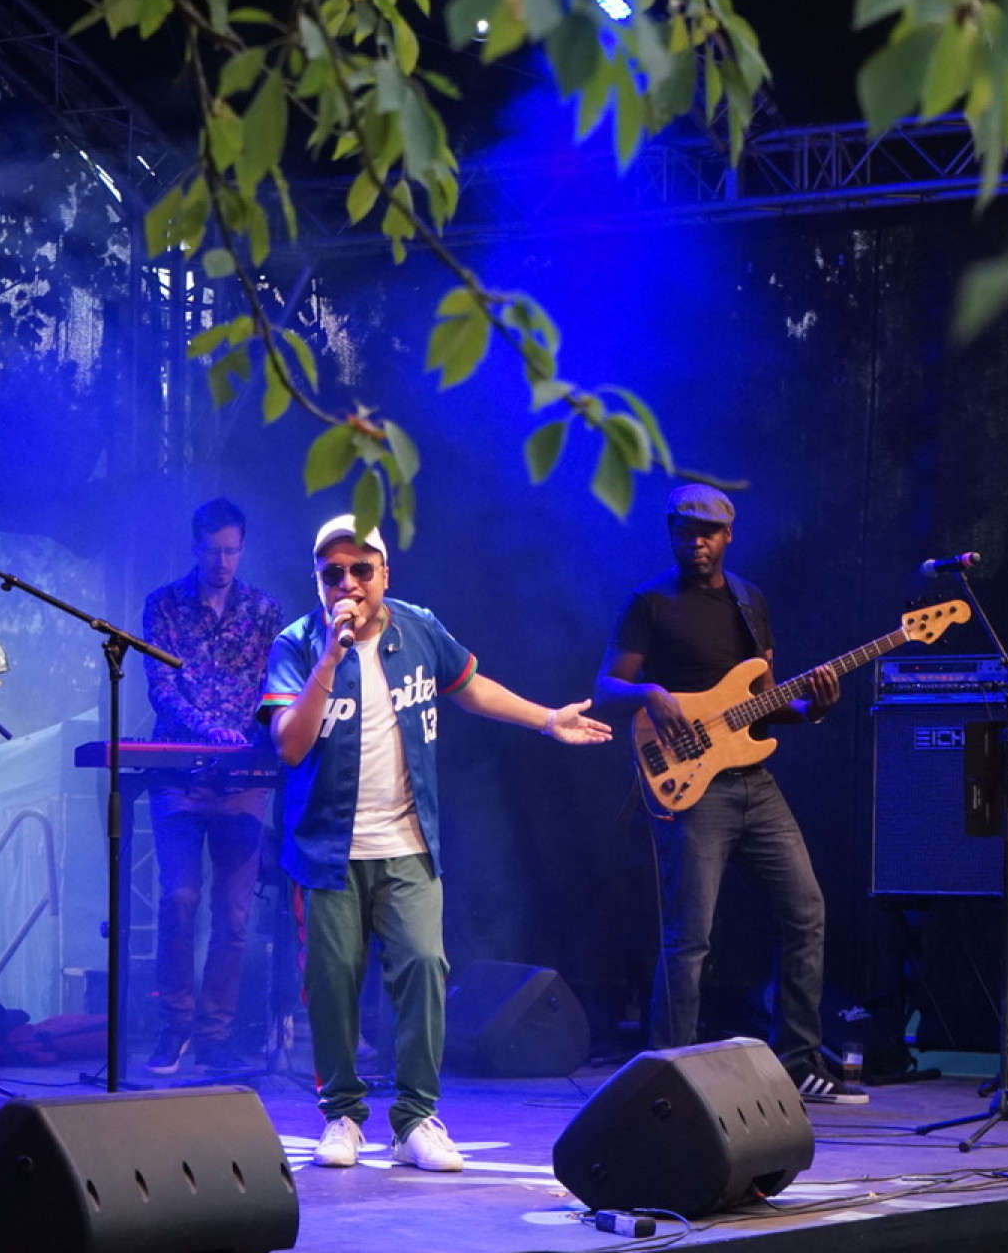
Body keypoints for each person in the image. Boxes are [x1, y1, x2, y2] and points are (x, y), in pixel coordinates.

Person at [258, 514, 612, 1172]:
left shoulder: (419, 629)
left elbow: (471, 688)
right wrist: (331, 657)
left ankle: (416, 1118)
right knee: (331, 985)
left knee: (424, 967)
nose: (347, 584)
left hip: (407, 844)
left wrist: (547, 719)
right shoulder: (299, 644)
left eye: (361, 570)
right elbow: (289, 744)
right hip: (326, 852)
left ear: (384, 575)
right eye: (332, 573)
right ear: (317, 581)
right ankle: (341, 1115)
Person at [594, 484, 866, 1105]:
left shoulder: (749, 601)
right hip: (691, 789)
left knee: (806, 913)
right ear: (671, 534)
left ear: (727, 536)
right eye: (686, 532)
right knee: (689, 938)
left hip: (753, 783)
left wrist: (815, 707)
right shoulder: (649, 603)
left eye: (708, 533)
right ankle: (670, 1073)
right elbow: (606, 689)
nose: (697, 543)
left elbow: (765, 702)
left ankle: (797, 1061)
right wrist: (649, 694)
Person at [139, 497, 284, 1075]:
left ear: (242, 548)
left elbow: (275, 686)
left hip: (242, 779)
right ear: (195, 547)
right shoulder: (164, 605)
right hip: (179, 773)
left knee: (234, 914)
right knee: (179, 898)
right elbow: (161, 688)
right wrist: (210, 732)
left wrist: (250, 738)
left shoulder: (264, 610)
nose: (223, 562)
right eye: (213, 551)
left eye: (232, 551)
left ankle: (215, 1036)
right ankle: (173, 1027)